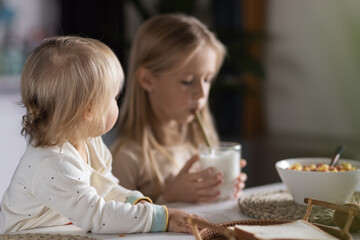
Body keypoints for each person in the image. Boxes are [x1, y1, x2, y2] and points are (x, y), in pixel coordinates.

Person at [0, 36, 203, 234]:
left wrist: (136, 201)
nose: (117, 102)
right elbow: (98, 217)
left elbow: (104, 187)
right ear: (89, 110)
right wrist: (162, 218)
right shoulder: (52, 163)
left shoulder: (89, 142)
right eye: (114, 97)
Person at [111, 14, 247, 204]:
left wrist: (225, 191)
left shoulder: (202, 144)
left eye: (207, 79)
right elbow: (117, 223)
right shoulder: (127, 158)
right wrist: (168, 198)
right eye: (188, 81)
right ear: (148, 80)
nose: (201, 92)